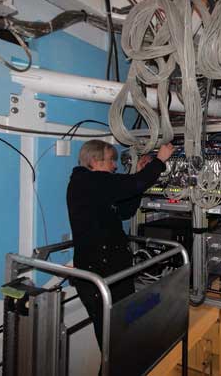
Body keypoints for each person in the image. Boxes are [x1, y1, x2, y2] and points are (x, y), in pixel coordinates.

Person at [66, 139, 174, 356]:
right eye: (111, 161)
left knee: (122, 335)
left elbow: (125, 210)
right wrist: (160, 160)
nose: (115, 165)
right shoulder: (85, 181)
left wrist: (139, 173)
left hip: (113, 270)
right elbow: (131, 185)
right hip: (98, 272)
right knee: (112, 341)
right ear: (95, 161)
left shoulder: (97, 186)